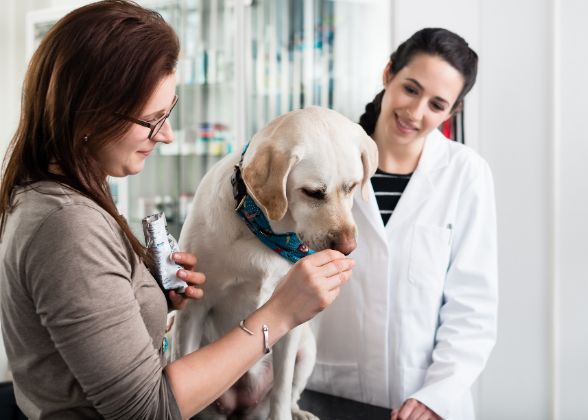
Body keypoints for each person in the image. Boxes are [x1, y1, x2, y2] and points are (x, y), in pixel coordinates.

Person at [0, 1, 353, 419]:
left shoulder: (57, 197)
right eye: (152, 119)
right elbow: (150, 410)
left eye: (169, 112)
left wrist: (140, 291)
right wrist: (279, 314)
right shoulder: (68, 225)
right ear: (87, 115)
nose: (165, 134)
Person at [307, 28, 498, 420]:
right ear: (388, 73)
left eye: (436, 104)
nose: (415, 112)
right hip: (326, 391)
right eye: (410, 89)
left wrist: (438, 395)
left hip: (425, 402)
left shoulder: (465, 174)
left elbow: (472, 306)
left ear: (452, 112)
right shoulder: (329, 159)